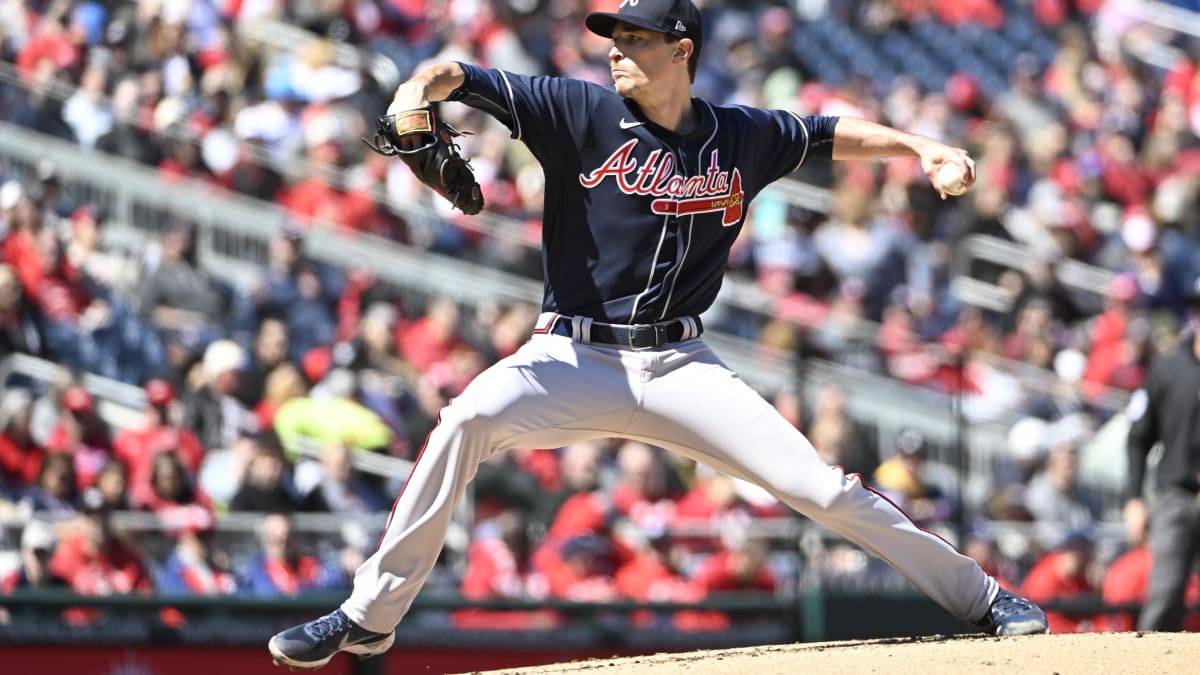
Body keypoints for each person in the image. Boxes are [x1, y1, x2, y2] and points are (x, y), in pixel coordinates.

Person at [268, 1, 1048, 667]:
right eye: (614, 36)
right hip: (572, 353)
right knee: (465, 418)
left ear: (681, 50)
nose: (615, 48)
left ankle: (981, 597)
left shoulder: (741, 135)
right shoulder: (576, 109)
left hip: (681, 364)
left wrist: (924, 146)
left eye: (635, 38)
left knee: (821, 487)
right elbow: (454, 76)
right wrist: (413, 92)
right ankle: (369, 617)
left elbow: (829, 134)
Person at [1124, 277, 1200, 631]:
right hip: (1177, 497)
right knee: (1165, 595)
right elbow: (1139, 437)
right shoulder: (1168, 367)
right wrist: (1134, 498)